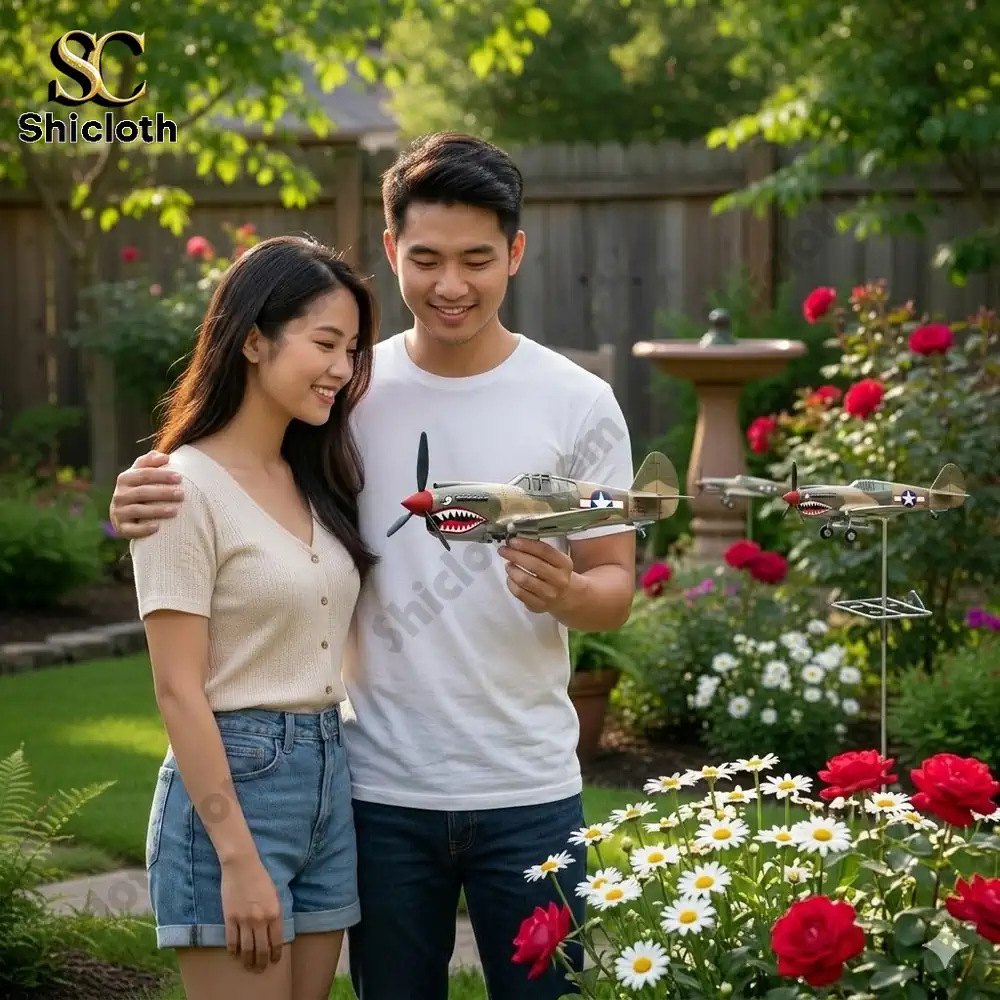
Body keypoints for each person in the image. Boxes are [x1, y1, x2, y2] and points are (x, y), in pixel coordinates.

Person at [110, 132, 637, 999]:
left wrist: (574, 592)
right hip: (377, 788)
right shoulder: (341, 390)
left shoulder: (579, 401)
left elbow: (614, 589)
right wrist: (143, 490)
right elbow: (239, 475)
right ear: (392, 250)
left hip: (531, 784)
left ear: (516, 252)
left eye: (476, 259)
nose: (450, 285)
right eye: (425, 258)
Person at [126, 235, 379, 1000]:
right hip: (236, 789)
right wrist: (235, 854)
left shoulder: (315, 475)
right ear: (254, 341)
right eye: (325, 343)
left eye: (353, 349)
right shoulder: (179, 487)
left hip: (330, 780)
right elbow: (177, 690)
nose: (342, 368)